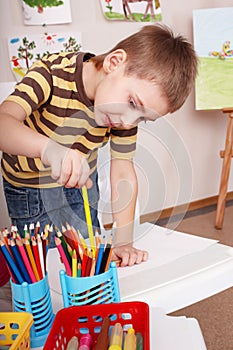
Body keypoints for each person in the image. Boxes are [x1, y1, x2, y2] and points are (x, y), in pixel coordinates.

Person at [0, 24, 198, 267]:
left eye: (142, 118)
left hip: (81, 186)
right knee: (44, 268)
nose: (128, 122)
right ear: (114, 63)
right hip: (31, 189)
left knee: (86, 261)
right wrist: (48, 149)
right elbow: (3, 123)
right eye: (133, 103)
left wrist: (123, 240)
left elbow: (123, 171)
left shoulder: (125, 117)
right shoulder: (50, 74)